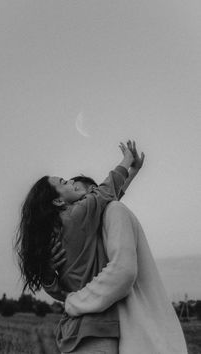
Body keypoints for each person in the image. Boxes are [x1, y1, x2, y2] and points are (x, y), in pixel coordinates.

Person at [47, 148, 188, 354]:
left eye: (78, 188)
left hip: (93, 328)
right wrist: (56, 284)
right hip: (89, 329)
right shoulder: (81, 227)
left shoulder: (102, 215)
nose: (73, 190)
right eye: (68, 185)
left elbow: (109, 198)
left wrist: (68, 296)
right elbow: (107, 197)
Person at [15, 140, 136, 353]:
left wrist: (49, 276)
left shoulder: (53, 231)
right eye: (64, 182)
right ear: (58, 201)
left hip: (72, 330)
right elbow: (106, 192)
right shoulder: (75, 216)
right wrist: (127, 160)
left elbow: (56, 290)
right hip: (97, 331)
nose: (70, 182)